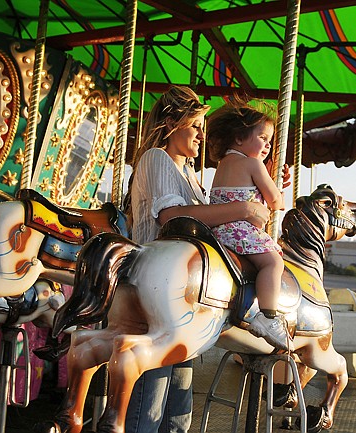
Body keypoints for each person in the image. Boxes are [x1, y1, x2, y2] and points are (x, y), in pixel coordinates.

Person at [124, 85, 290, 433]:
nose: (202, 134)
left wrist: (264, 177)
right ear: (172, 123)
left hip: (183, 296)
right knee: (153, 397)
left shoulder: (189, 174)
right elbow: (171, 217)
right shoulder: (157, 158)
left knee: (179, 407)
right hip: (153, 287)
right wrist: (244, 207)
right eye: (195, 125)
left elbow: (217, 218)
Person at [206, 99, 291, 352]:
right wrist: (276, 188)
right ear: (240, 139)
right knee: (273, 261)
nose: (268, 145)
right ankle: (267, 316)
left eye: (270, 140)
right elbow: (276, 201)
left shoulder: (223, 163)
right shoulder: (253, 164)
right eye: (263, 138)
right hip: (239, 229)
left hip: (219, 231)